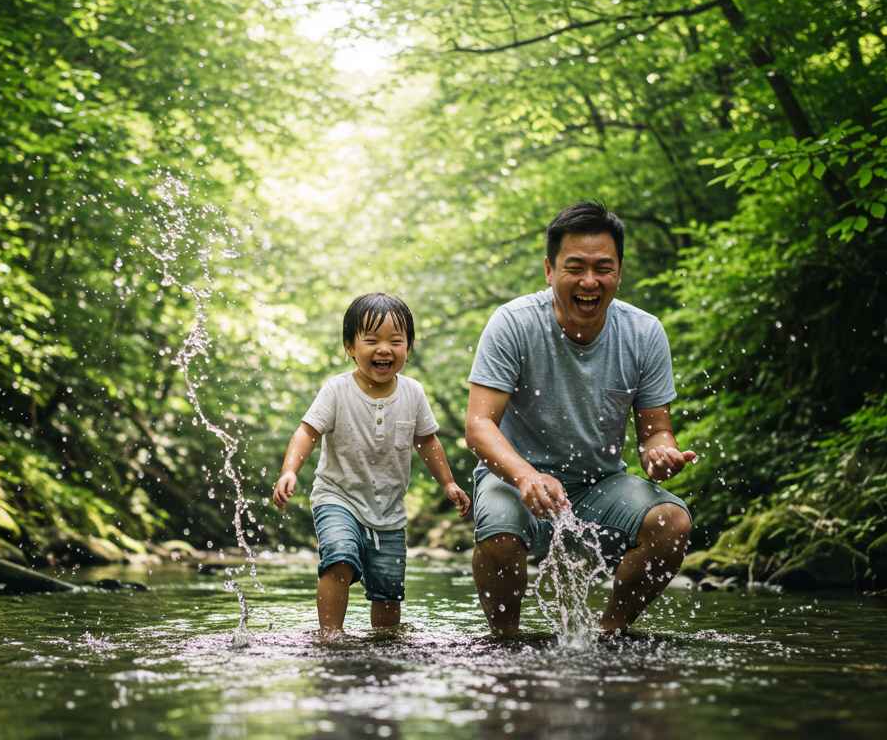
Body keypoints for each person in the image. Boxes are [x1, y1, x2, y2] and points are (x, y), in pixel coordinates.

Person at [465, 201, 696, 637]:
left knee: (673, 522)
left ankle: (609, 634)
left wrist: (660, 451)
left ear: (619, 273)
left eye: (603, 268)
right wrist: (525, 476)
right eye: (576, 267)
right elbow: (479, 426)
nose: (590, 281)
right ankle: (506, 643)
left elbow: (655, 429)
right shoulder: (513, 324)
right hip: (514, 478)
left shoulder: (644, 333)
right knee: (498, 533)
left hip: (601, 485)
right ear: (550, 271)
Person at [273, 292, 472, 637]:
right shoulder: (336, 390)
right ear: (351, 347)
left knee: (388, 588)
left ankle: (385, 645)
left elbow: (427, 441)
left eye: (396, 341)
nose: (384, 349)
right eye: (371, 340)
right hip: (337, 497)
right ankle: (330, 637)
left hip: (389, 511)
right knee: (338, 557)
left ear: (408, 347)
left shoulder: (413, 393)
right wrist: (289, 470)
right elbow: (307, 431)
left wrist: (448, 483)